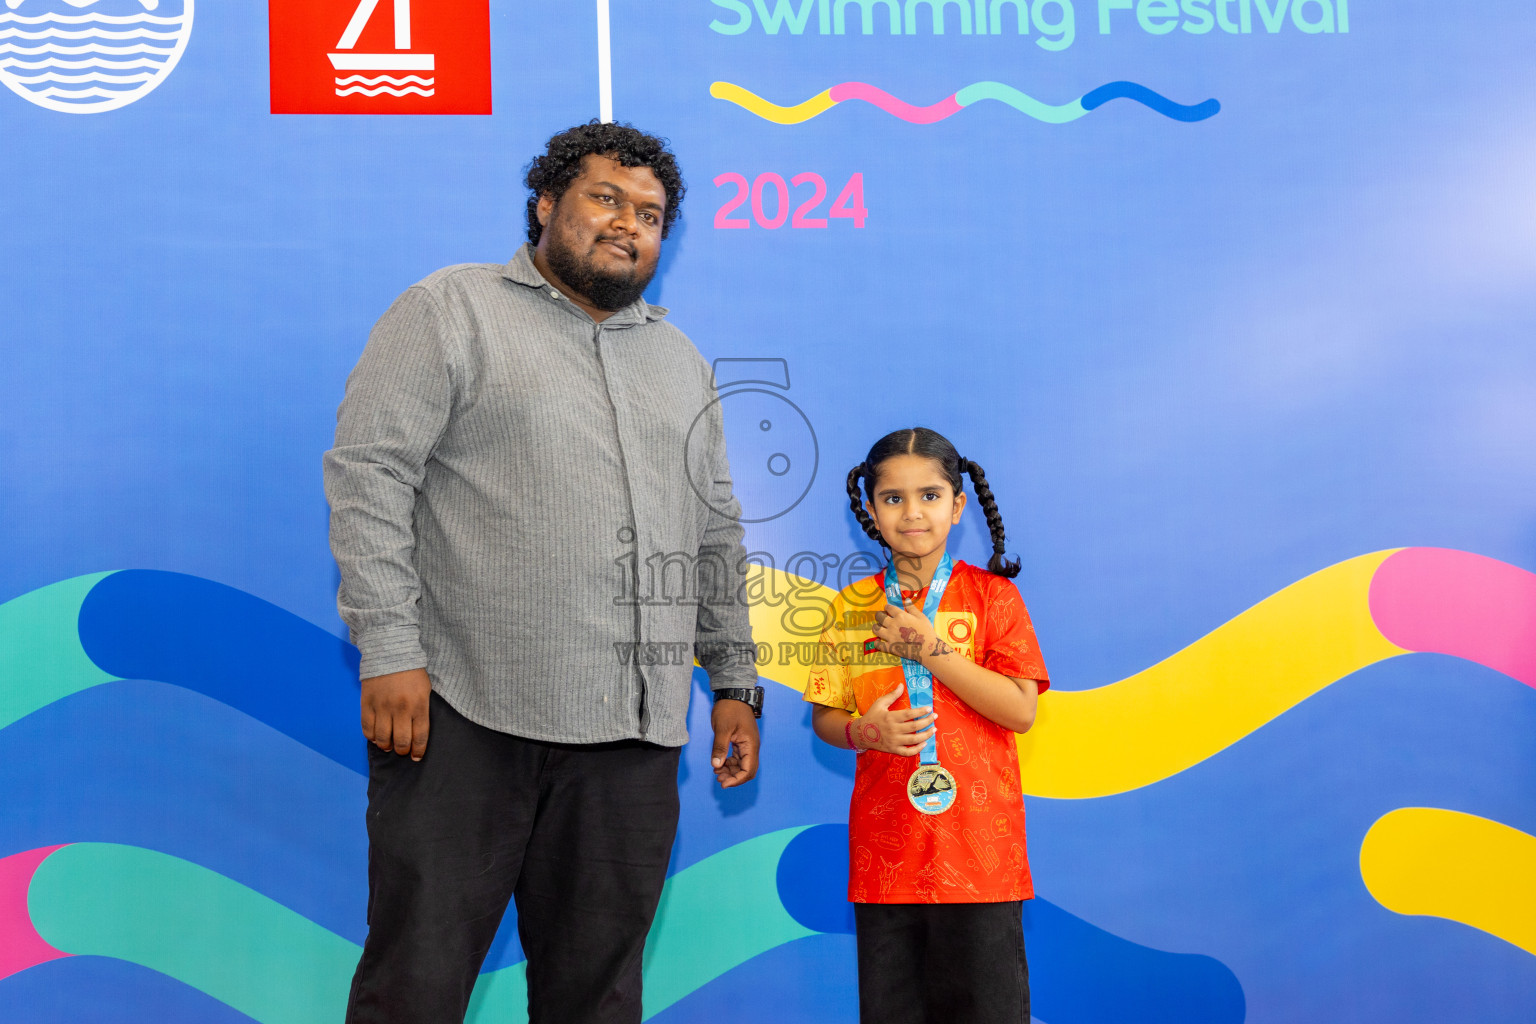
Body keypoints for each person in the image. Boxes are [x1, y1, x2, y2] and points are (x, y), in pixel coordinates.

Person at [323, 121, 764, 1024]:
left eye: (650, 214)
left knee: (597, 998)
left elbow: (714, 530)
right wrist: (388, 649)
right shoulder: (451, 309)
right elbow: (369, 476)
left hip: (634, 737)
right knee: (416, 985)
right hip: (462, 716)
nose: (627, 224)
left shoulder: (679, 363)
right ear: (546, 204)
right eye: (606, 198)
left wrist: (735, 681)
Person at [803, 426, 1050, 1024]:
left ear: (959, 505)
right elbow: (825, 718)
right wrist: (866, 733)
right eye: (893, 498)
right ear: (869, 508)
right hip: (887, 864)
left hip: (980, 860)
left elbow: (1020, 709)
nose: (912, 513)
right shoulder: (850, 606)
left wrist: (931, 649)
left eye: (930, 495)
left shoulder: (995, 599)